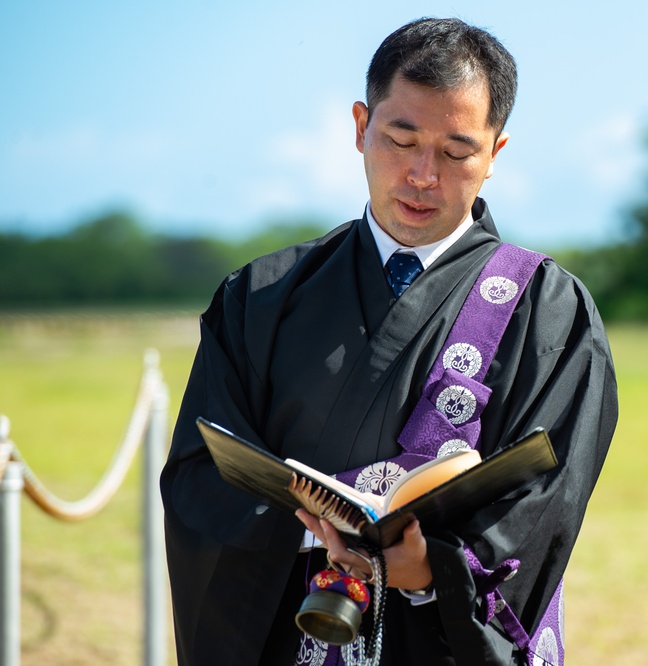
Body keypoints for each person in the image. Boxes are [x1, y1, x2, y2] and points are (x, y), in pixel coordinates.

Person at [161, 17, 617, 666]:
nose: (423, 174)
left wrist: (435, 568)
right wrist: (306, 531)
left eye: (457, 152)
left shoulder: (546, 307)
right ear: (359, 127)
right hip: (302, 623)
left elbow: (550, 495)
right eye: (401, 139)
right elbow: (201, 473)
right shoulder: (261, 295)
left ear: (495, 155)